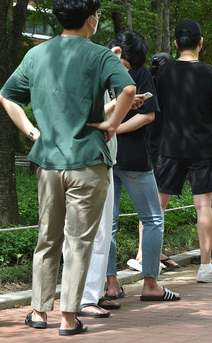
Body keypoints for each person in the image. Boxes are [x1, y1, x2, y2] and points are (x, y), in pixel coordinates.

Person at [0, 0, 136, 336]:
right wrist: (111, 124)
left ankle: (39, 311)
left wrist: (33, 133)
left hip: (49, 163)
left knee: (47, 239)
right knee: (78, 242)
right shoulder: (101, 56)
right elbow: (129, 89)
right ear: (91, 19)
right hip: (88, 162)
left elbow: (6, 96)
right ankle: (69, 318)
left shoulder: (37, 55)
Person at [65, 30, 155, 319]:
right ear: (117, 54)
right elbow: (86, 116)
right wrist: (122, 104)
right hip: (88, 159)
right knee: (88, 231)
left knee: (103, 231)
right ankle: (82, 297)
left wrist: (125, 104)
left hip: (105, 158)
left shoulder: (100, 70)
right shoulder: (92, 68)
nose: (125, 73)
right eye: (126, 67)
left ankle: (95, 292)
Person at [104, 32, 180, 303]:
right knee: (153, 218)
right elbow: (147, 116)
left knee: (107, 224)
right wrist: (117, 129)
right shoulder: (140, 74)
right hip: (134, 156)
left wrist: (110, 131)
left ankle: (111, 284)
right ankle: (150, 283)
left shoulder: (97, 67)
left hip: (103, 155)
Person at [154, 19, 212, 282]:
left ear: (175, 43)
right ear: (201, 42)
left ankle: (147, 263)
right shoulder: (211, 73)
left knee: (156, 208)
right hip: (201, 146)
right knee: (203, 206)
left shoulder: (163, 72)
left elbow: (156, 107)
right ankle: (206, 268)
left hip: (169, 146)